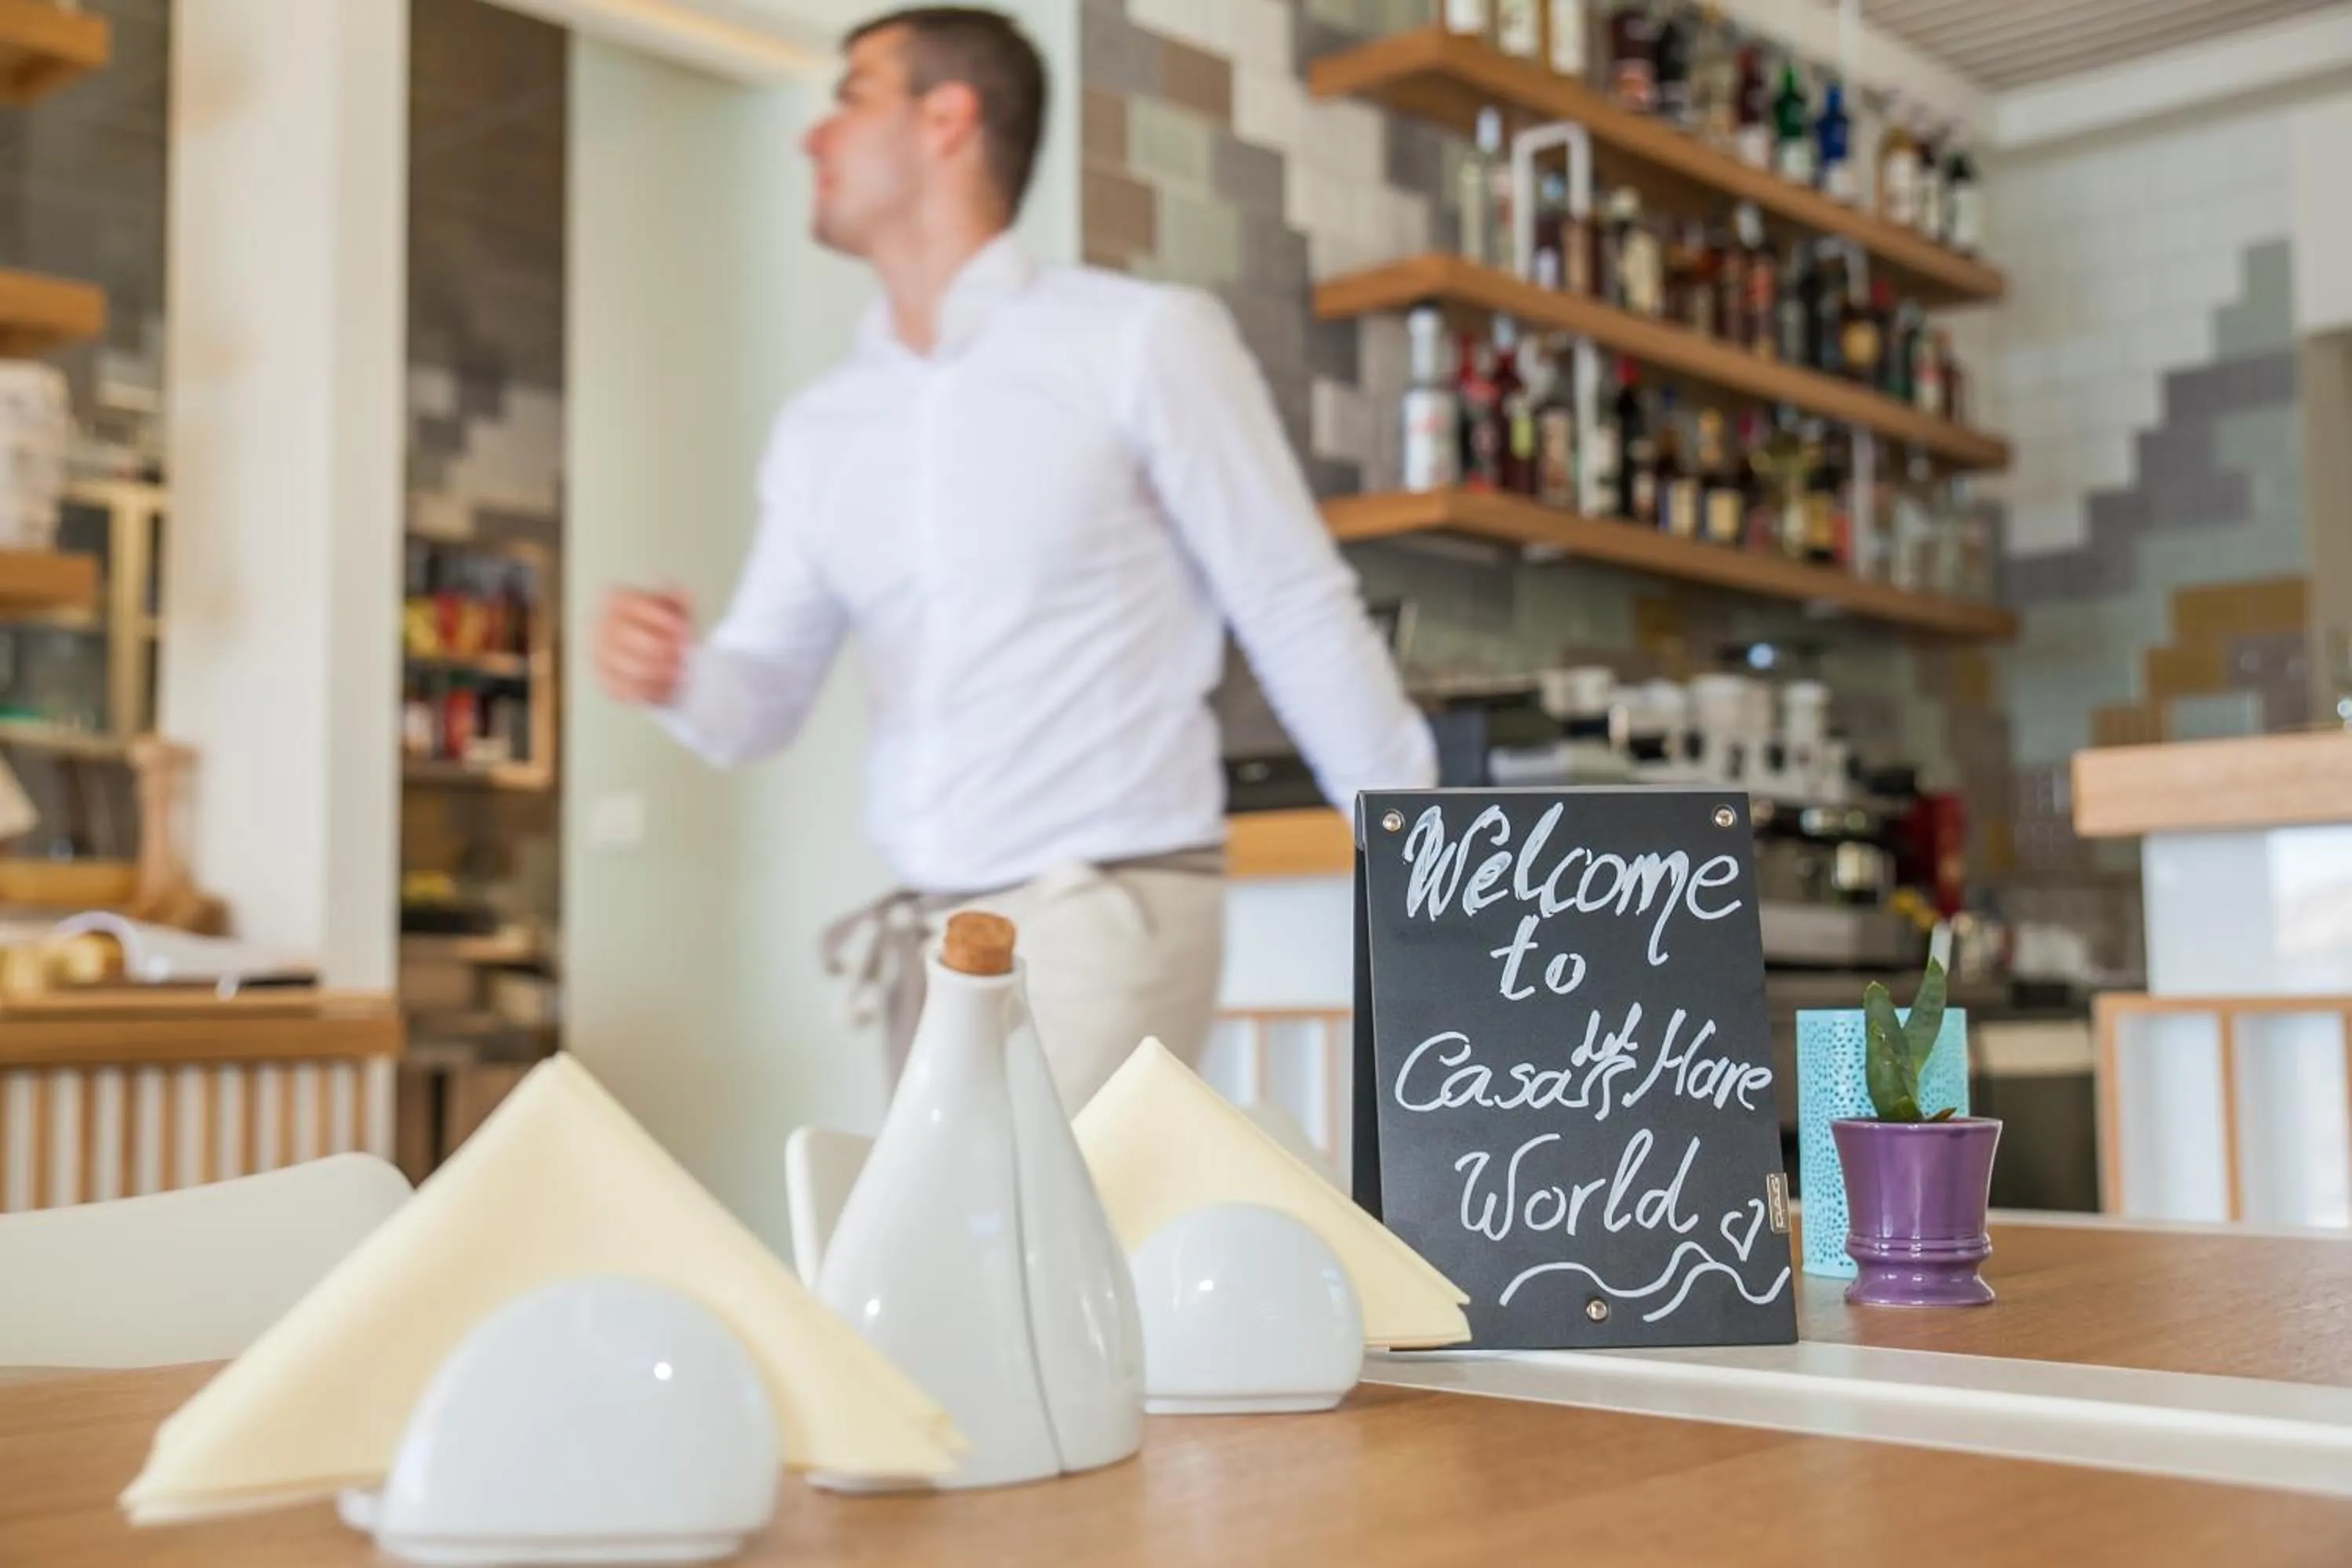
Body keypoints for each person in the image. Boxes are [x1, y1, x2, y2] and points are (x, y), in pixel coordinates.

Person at [593, 5, 1433, 1110]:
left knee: (1028, 1269)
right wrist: (681, 677)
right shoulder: (824, 427)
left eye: (849, 96)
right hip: (929, 933)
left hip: (1105, 914)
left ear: (947, 118)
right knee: (952, 1282)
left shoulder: (1140, 341)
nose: (812, 136)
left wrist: (1442, 863)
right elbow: (761, 702)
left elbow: (1291, 603)